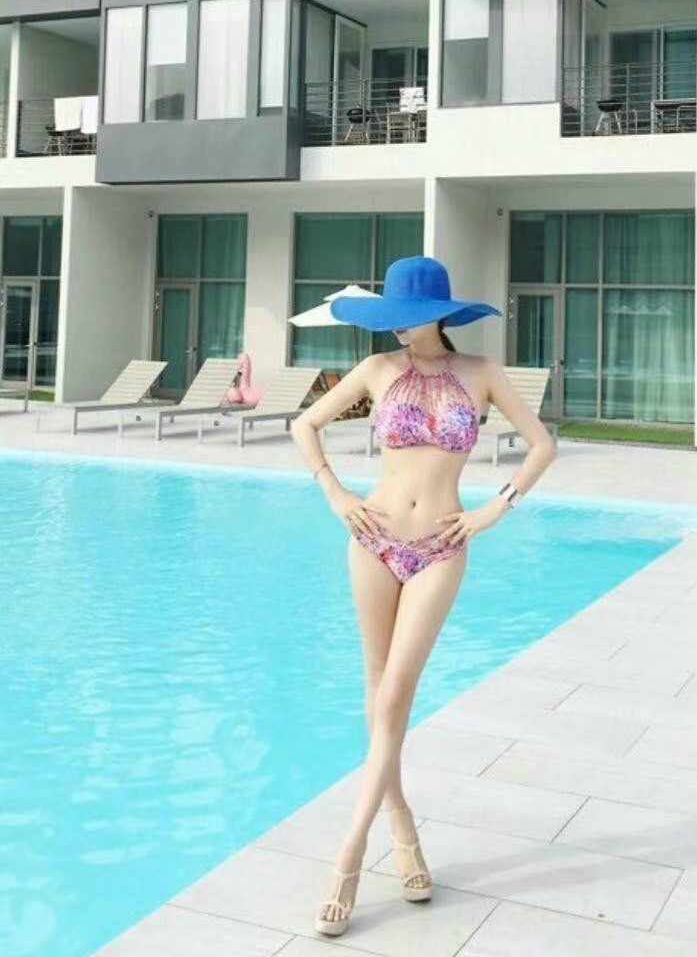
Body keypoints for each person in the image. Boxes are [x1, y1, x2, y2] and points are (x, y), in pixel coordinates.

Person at [289, 256, 557, 936]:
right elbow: (304, 425)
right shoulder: (377, 369)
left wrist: (494, 508)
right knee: (376, 689)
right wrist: (335, 493)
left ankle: (348, 858)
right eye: (392, 319)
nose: (399, 329)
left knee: (395, 695)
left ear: (438, 315)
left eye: (408, 318)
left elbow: (541, 445)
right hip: (372, 538)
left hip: (440, 545)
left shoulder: (482, 372)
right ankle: (402, 830)